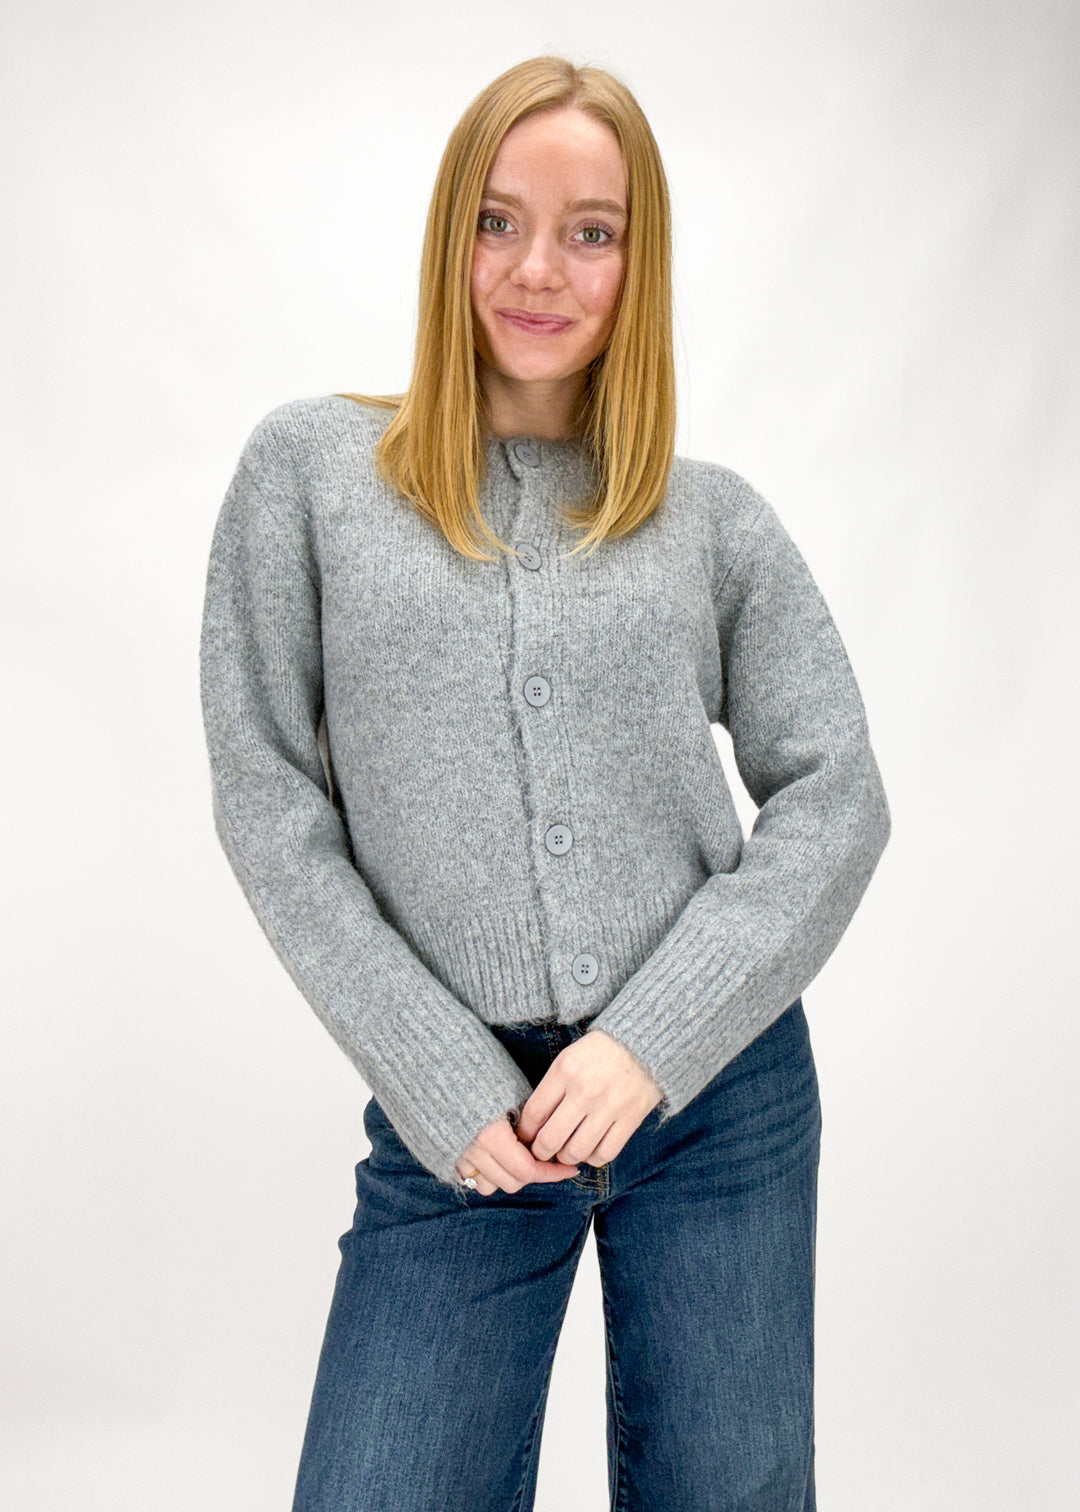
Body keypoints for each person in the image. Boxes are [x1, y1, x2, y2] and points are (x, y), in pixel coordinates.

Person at [199, 53, 891, 1512]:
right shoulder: (312, 475)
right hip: (461, 1123)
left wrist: (653, 1040)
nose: (539, 269)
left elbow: (835, 795)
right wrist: (439, 1076)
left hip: (714, 1101)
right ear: (450, 233)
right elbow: (269, 803)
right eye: (499, 220)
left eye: (592, 230)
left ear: (639, 265)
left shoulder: (709, 521)